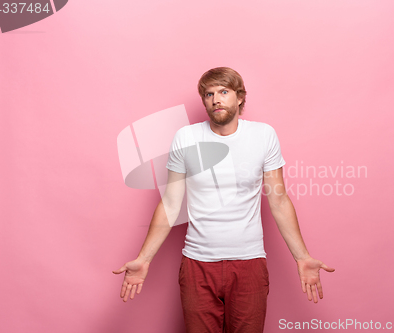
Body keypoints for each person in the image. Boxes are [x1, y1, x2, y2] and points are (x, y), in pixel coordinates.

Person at [113, 67, 335, 332]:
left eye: (223, 91)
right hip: (197, 264)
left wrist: (302, 257)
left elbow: (278, 200)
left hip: (249, 263)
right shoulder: (186, 138)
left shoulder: (263, 136)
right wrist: (143, 259)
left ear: (239, 97)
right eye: (209, 94)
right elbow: (171, 204)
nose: (216, 99)